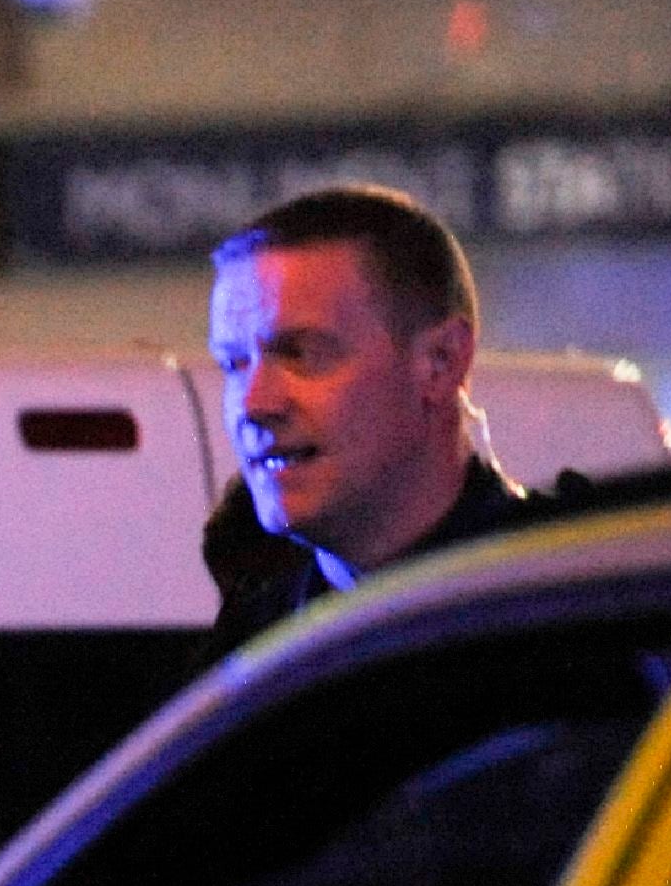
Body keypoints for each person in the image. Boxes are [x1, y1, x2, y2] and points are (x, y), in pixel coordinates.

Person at [202, 184, 544, 649]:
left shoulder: (574, 613)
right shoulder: (249, 659)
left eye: (301, 353)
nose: (254, 404)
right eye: (233, 364)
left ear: (441, 362)